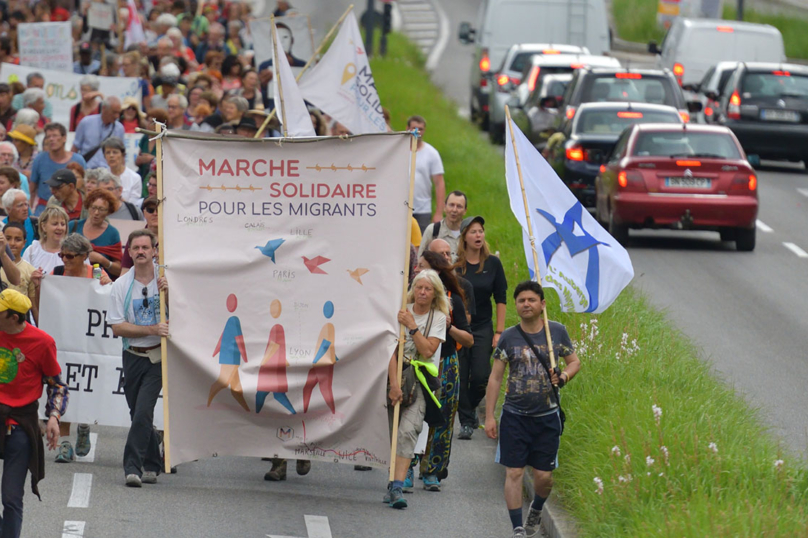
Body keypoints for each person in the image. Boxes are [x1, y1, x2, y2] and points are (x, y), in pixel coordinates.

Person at [485, 281, 581, 538]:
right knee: (514, 471)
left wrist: (563, 378)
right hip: (514, 416)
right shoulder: (509, 336)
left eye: (531, 300)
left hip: (547, 417)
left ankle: (537, 508)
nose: (526, 304)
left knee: (544, 477)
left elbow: (574, 362)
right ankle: (517, 527)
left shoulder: (556, 333)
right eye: (521, 301)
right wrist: (489, 416)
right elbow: (495, 378)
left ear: (542, 304)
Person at [31, 234, 111, 462]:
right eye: (62, 254)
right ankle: (65, 445)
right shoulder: (56, 274)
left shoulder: (96, 273)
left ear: (85, 256)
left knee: (86, 387)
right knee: (63, 386)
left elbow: (108, 301)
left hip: (89, 342)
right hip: (62, 342)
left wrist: (107, 285)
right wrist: (38, 287)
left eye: (70, 256)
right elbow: (43, 309)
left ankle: (84, 426)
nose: (64, 259)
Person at [0, 288, 68, 538]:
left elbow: (57, 385)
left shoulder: (42, 342)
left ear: (15, 317)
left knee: (10, 497)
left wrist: (53, 417)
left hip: (20, 424)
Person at [107, 229, 169, 487]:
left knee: (144, 410)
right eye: (136, 248)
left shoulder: (166, 280)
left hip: (158, 358)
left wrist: (173, 294)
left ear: (155, 250)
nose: (141, 252)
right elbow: (117, 327)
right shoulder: (121, 286)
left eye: (146, 247)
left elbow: (187, 312)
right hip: (132, 355)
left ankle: (132, 467)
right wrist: (151, 329)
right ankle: (154, 463)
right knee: (137, 413)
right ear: (129, 252)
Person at [385, 269, 448, 509]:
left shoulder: (438, 318)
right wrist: (393, 384)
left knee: (408, 432)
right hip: (395, 377)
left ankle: (398, 486)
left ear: (435, 294)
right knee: (392, 433)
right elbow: (390, 350)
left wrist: (412, 327)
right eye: (419, 287)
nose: (422, 292)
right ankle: (391, 482)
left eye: (428, 289)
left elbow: (428, 351)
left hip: (420, 382)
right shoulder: (400, 311)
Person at [415, 251, 473, 492]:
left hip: (445, 364)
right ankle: (405, 469)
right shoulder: (410, 302)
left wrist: (449, 327)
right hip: (416, 363)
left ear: (436, 273)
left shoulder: (453, 301)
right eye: (417, 267)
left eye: (423, 266)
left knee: (442, 417)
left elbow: (469, 340)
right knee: (412, 415)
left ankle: (432, 470)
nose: (417, 270)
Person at [456, 216, 507, 440]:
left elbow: (501, 298)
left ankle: (469, 408)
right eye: (473, 232)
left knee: (480, 376)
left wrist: (499, 331)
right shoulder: (456, 266)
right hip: (458, 328)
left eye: (481, 231)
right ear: (464, 237)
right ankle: (466, 421)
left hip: (483, 327)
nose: (478, 235)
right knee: (460, 375)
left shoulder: (493, 264)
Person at [29, 123, 86, 215]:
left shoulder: (78, 160)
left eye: (55, 135)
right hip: (43, 210)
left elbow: (84, 187)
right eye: (48, 137)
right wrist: (30, 212)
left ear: (64, 138)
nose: (51, 139)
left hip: (72, 210)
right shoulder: (39, 159)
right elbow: (32, 189)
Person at [68, 189, 122, 278]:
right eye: (93, 208)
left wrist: (102, 260)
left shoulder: (112, 233)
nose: (96, 213)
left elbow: (119, 270)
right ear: (88, 207)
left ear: (108, 211)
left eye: (101, 209)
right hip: (72, 279)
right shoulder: (73, 226)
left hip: (98, 281)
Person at [408, 115, 445, 232]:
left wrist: (439, 212)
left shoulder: (431, 153)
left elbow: (439, 183)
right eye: (414, 127)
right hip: (401, 208)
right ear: (407, 128)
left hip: (422, 209)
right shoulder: (399, 151)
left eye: (420, 128)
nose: (417, 131)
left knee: (421, 244)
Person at [72, 97, 124, 170]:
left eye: (119, 113)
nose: (117, 116)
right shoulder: (86, 122)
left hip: (108, 172)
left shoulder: (119, 128)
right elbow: (75, 148)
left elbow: (121, 154)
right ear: (104, 108)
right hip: (87, 170)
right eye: (114, 112)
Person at [1, 223, 37, 322]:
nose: (12, 243)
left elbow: (33, 306)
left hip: (20, 321)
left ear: (24, 243)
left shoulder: (30, 270)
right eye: (8, 238)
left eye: (18, 239)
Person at [419, 191, 468, 260]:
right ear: (444, 207)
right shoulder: (433, 230)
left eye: (459, 206)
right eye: (451, 205)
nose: (454, 210)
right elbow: (420, 260)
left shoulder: (470, 233)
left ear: (465, 210)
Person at [22, 206, 67, 275]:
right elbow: (23, 279)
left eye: (63, 224)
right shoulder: (32, 251)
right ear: (44, 226)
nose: (60, 228)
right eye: (55, 224)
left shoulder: (72, 252)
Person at [121, 197, 158, 275]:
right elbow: (125, 271)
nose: (155, 213)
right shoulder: (135, 238)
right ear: (144, 213)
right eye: (150, 210)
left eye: (159, 210)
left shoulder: (174, 239)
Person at [102, 138, 142, 207]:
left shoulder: (135, 178)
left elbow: (134, 206)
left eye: (115, 152)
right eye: (108, 152)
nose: (111, 156)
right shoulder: (101, 176)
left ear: (123, 155)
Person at [136, 109, 168, 181]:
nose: (148, 124)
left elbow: (167, 162)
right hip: (144, 177)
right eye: (148, 121)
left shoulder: (165, 140)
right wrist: (139, 160)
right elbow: (138, 158)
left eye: (152, 122)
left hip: (158, 179)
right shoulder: (145, 138)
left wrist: (152, 159)